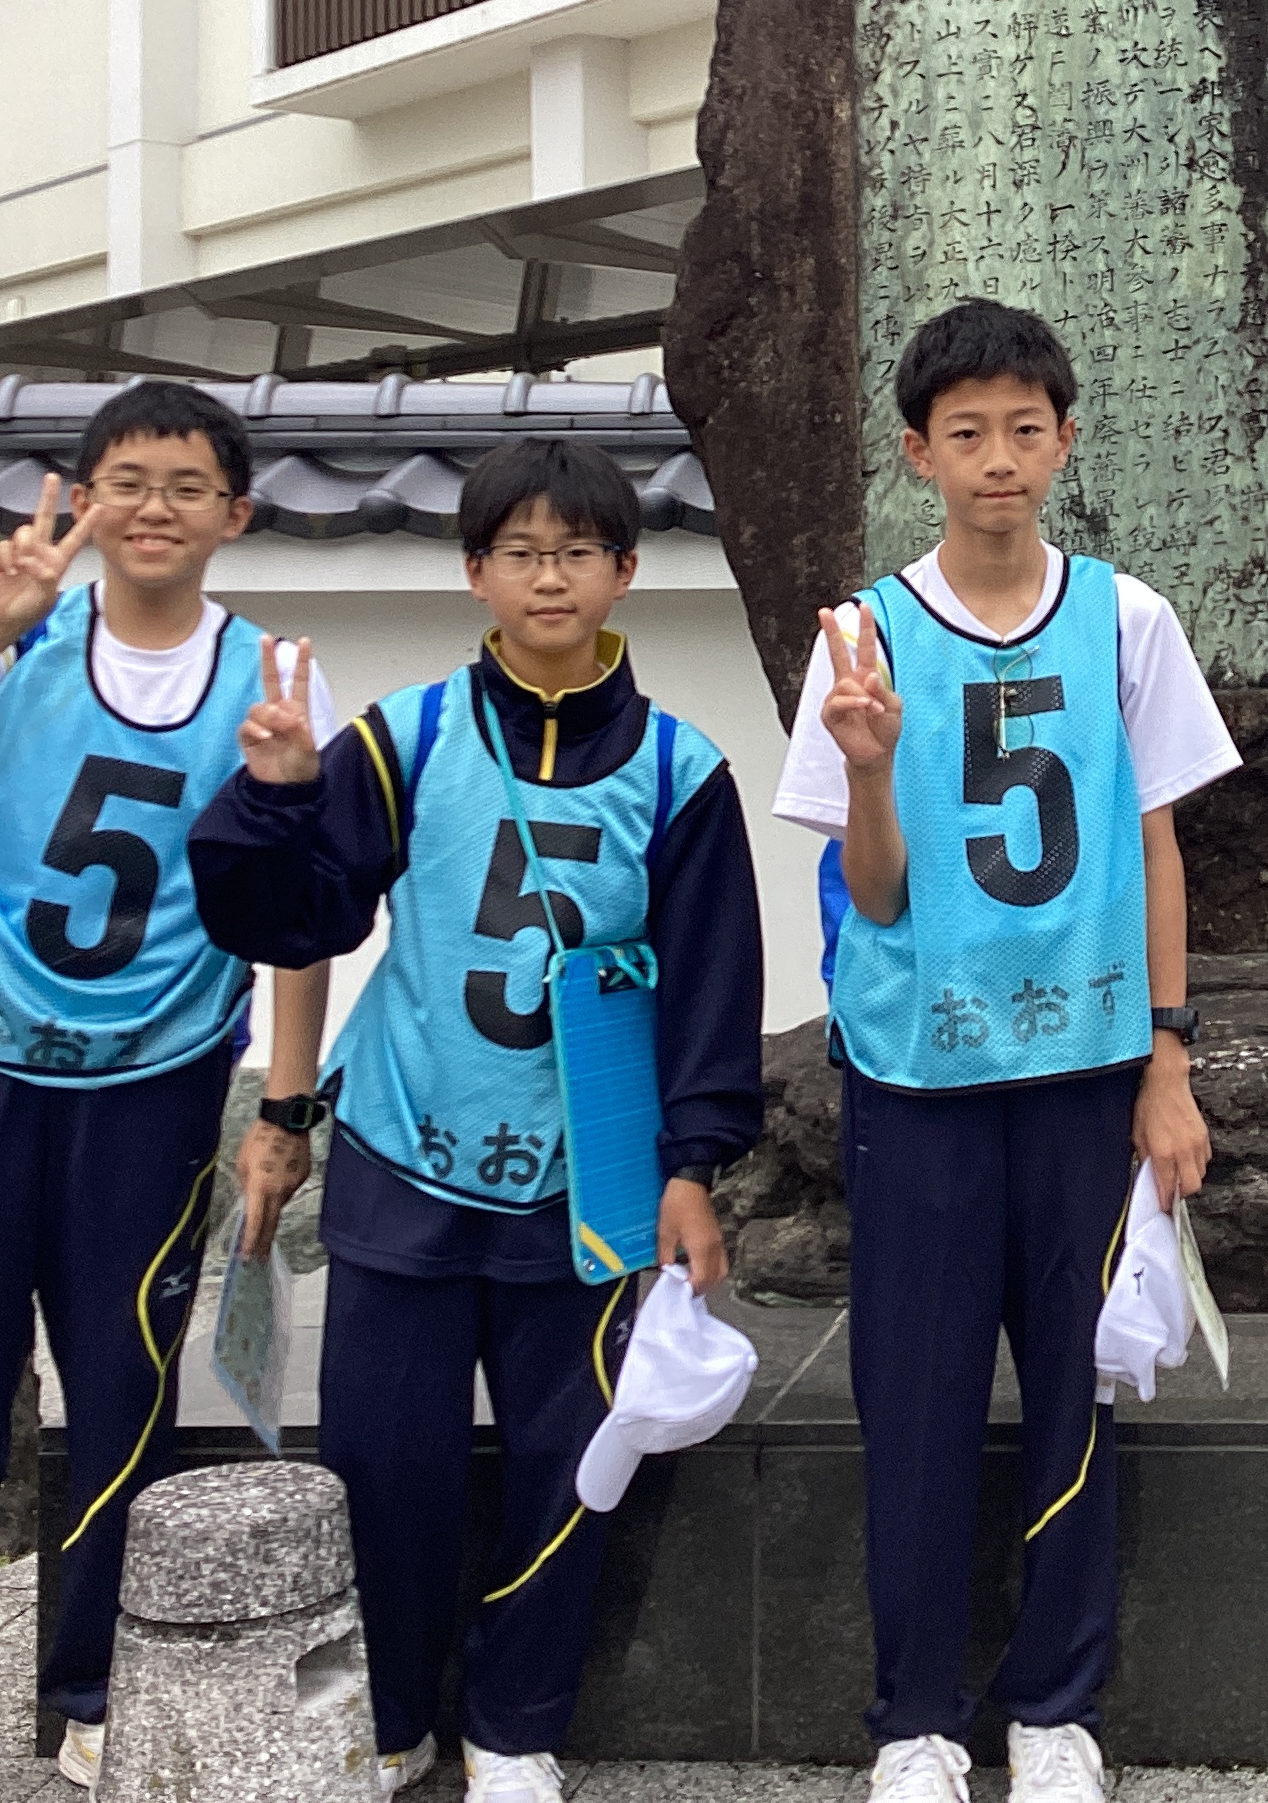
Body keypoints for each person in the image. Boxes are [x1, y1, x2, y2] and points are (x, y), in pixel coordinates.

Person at [192, 437, 765, 1803]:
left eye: (576, 553)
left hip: (587, 1175)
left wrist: (692, 1167)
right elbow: (301, 920)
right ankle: (389, 1720)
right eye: (519, 552)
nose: (548, 577)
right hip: (408, 1149)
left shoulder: (681, 771)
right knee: (384, 1462)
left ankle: (516, 1728)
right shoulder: (405, 738)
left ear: (626, 571)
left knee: (572, 1466)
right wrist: (279, 799)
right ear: (474, 573)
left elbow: (712, 987)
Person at [0, 380, 336, 1803]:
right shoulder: (19, 642)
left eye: (188, 484)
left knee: (121, 1391)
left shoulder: (269, 676)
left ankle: (99, 1695)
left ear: (237, 513)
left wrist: (284, 1108)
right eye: (127, 481)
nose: (155, 508)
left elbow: (297, 912)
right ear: (80, 498)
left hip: (152, 1079)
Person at [776, 297, 1239, 1803]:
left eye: (1022, 430)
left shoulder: (1127, 618)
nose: (996, 459)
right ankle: (914, 1718)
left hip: (1085, 1069)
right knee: (912, 1399)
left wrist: (1168, 1062)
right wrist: (866, 768)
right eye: (964, 432)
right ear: (916, 452)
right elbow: (877, 893)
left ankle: (1055, 1707)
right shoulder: (863, 636)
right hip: (919, 1078)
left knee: (1072, 1388)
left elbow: (1157, 849)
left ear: (1065, 441)